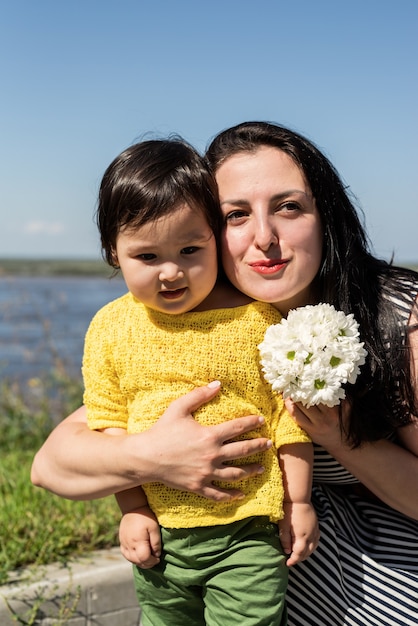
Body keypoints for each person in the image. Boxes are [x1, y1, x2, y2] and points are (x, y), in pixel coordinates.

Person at [31, 121, 418, 626]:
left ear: (327, 215)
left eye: (288, 206)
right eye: (237, 215)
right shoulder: (196, 329)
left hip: (381, 546)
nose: (264, 237)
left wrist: (342, 439)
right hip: (276, 547)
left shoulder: (396, 318)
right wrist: (154, 457)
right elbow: (51, 466)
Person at [79, 137, 317, 625]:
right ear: (113, 252)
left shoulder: (256, 321)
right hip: (160, 537)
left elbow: (287, 421)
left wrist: (297, 501)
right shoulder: (110, 327)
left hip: (247, 533)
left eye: (190, 249)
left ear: (214, 236)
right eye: (146, 257)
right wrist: (133, 509)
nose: (171, 272)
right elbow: (109, 423)